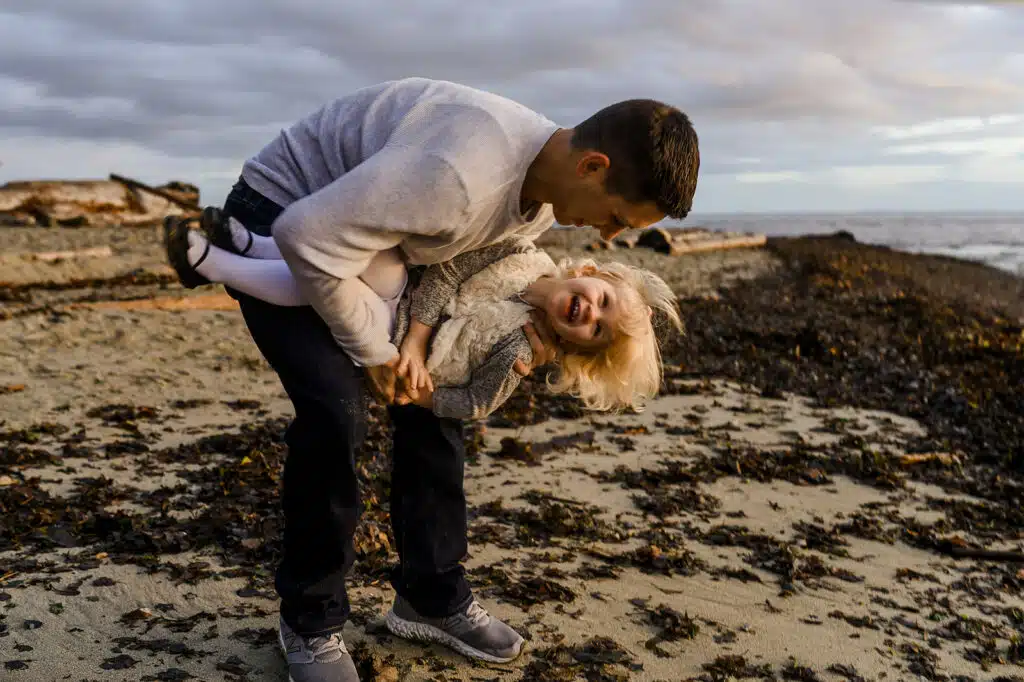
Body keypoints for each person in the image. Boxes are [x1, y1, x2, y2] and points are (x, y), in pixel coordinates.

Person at [172, 77, 699, 682]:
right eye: (615, 217)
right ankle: (311, 623)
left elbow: (461, 267)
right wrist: (374, 354)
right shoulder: (460, 173)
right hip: (287, 212)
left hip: (379, 245)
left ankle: (429, 595)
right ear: (593, 166)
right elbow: (306, 237)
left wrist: (442, 357)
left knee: (432, 411)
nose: (608, 238)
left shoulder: (548, 191)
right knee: (336, 413)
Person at [166, 212, 682, 420]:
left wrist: (425, 394)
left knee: (331, 288)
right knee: (369, 252)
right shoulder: (525, 254)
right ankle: (254, 243)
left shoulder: (521, 349)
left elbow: (479, 402)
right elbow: (449, 273)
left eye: (596, 331)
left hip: (389, 336)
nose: (589, 314)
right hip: (410, 296)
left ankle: (210, 263)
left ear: (578, 347)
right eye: (602, 302)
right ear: (592, 270)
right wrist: (419, 336)